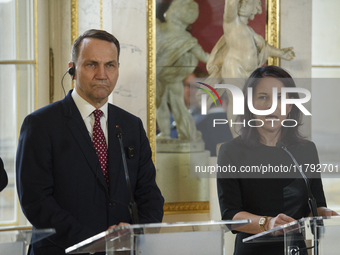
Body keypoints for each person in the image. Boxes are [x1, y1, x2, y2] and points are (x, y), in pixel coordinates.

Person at [16, 29, 164, 255]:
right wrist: (92, 242)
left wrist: (137, 231)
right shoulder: (40, 124)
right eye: (92, 64)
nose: (102, 74)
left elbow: (150, 195)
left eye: (110, 65)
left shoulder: (131, 125)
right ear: (73, 69)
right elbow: (36, 202)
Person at [217, 66, 338, 255]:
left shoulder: (306, 150)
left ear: (290, 106)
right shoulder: (231, 151)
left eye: (280, 98)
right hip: (253, 250)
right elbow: (230, 215)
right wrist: (268, 223)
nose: (272, 105)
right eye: (263, 97)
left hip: (296, 249)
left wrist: (323, 213)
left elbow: (314, 204)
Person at [156, 0, 209, 141]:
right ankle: (169, 134)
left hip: (166, 77)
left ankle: (178, 134)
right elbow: (205, 57)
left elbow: (205, 57)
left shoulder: (159, 29)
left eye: (173, 7)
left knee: (170, 105)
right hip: (161, 77)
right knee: (171, 105)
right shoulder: (159, 29)